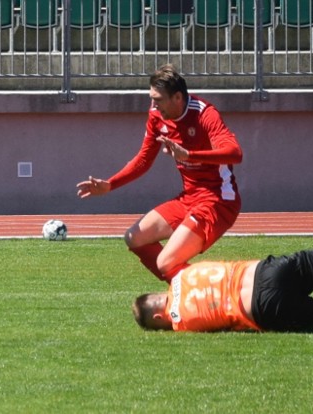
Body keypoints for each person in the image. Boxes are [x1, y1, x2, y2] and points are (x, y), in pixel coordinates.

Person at [132, 188, 313, 333]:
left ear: (159, 316)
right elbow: (167, 260)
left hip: (264, 307)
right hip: (270, 270)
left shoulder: (180, 323)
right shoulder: (179, 274)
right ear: (159, 293)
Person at [77, 64, 243, 282]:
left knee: (166, 262)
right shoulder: (157, 115)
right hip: (189, 199)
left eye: (158, 99)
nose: (153, 104)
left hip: (218, 200)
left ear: (177, 97)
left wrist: (190, 155)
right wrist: (110, 184)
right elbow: (144, 159)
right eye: (151, 98)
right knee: (134, 238)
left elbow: (235, 154)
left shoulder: (204, 114)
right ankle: (189, 292)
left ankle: (211, 292)